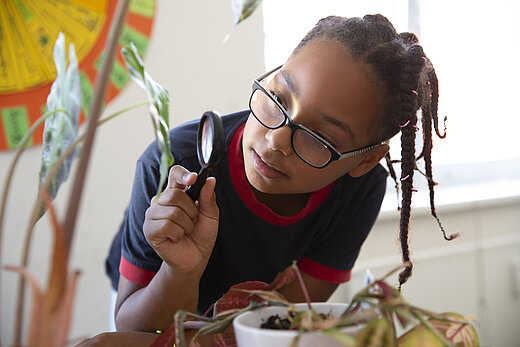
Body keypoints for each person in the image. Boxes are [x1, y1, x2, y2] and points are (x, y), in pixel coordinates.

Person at [103, 13, 449, 338]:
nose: (276, 139)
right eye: (279, 97)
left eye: (321, 138)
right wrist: (180, 272)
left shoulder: (360, 188)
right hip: (152, 297)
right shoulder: (174, 161)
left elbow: (283, 318)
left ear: (364, 161)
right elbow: (135, 332)